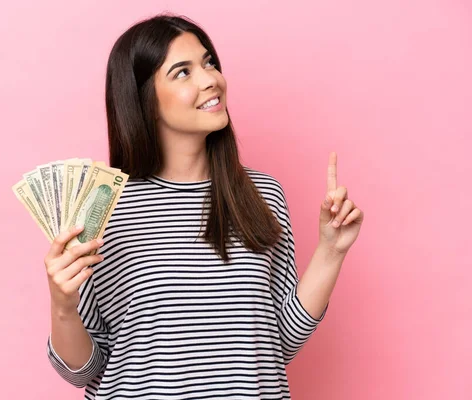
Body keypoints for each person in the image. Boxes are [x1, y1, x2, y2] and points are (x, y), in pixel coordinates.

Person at [43, 12, 364, 400]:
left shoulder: (261, 195)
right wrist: (62, 306)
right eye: (183, 72)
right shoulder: (103, 207)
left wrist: (330, 251)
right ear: (142, 98)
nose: (211, 79)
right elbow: (86, 371)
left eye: (208, 62)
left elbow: (276, 344)